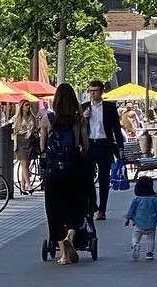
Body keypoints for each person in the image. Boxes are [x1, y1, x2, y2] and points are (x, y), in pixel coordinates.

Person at [40, 82, 91, 265]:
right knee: (76, 206)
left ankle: (63, 254)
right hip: (75, 171)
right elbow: (85, 146)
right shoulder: (79, 120)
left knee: (54, 211)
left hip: (54, 173)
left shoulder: (47, 118)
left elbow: (42, 147)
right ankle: (71, 236)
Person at [82, 79, 126, 220]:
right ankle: (92, 203)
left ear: (101, 91)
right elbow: (78, 128)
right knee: (87, 177)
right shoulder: (84, 107)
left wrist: (120, 147)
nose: (92, 94)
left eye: (95, 91)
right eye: (90, 91)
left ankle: (102, 209)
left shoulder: (109, 107)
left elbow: (116, 129)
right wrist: (83, 118)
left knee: (104, 178)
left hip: (104, 144)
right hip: (89, 144)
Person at [124, 176, 157, 261]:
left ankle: (135, 245)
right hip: (151, 224)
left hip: (138, 224)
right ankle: (149, 254)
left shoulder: (136, 200)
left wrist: (127, 219)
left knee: (135, 237)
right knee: (151, 239)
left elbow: (131, 210)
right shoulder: (155, 200)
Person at [10, 99, 39, 195]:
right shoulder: (16, 118)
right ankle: (29, 186)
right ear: (21, 106)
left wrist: (34, 131)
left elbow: (35, 127)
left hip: (30, 141)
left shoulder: (32, 117)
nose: (28, 107)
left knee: (26, 165)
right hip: (20, 141)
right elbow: (13, 130)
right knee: (24, 164)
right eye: (26, 105)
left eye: (29, 105)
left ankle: (22, 187)